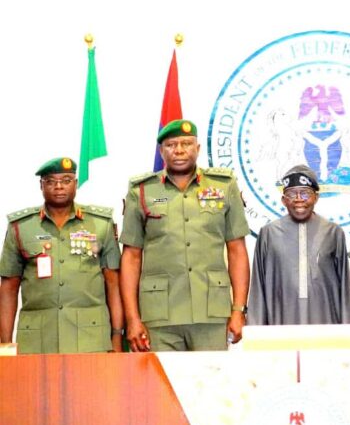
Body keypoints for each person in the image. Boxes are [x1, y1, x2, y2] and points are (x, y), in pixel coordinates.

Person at [120, 119, 250, 351]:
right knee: (160, 376)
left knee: (211, 375)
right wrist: (132, 319)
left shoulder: (224, 186)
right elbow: (131, 257)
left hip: (211, 312)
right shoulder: (141, 190)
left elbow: (237, 250)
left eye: (186, 144)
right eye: (171, 145)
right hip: (159, 316)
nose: (179, 150)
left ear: (197, 148)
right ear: (161, 151)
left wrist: (239, 310)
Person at [0, 158, 123, 353]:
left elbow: (113, 284)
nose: (58, 186)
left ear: (75, 183)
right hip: (37, 341)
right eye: (50, 181)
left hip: (91, 339)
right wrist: (5, 344)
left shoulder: (101, 224)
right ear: (41, 185)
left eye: (66, 180)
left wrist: (117, 335)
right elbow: (8, 288)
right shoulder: (20, 227)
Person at [247, 165, 350, 325]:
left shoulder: (333, 232)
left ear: (316, 197)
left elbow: (344, 288)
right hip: (280, 324)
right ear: (283, 200)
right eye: (291, 194)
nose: (298, 199)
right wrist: (256, 328)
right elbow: (258, 285)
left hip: (325, 323)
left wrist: (348, 327)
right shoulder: (268, 234)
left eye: (305, 193)